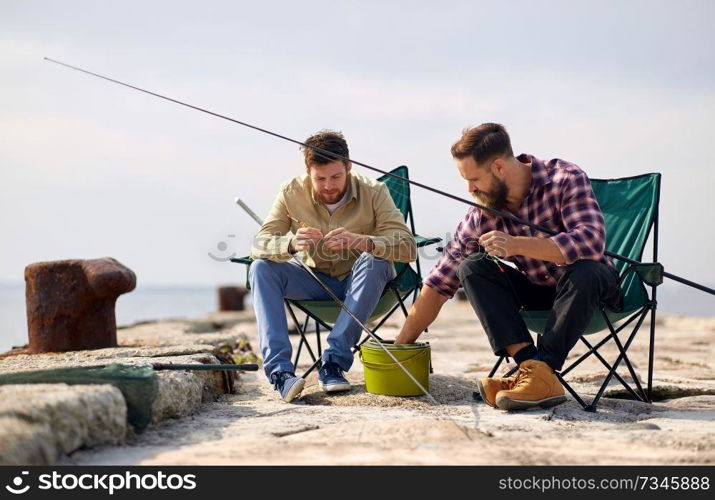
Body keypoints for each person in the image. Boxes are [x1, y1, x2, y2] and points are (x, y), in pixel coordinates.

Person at [395, 123, 622, 411]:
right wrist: (400, 346)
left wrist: (516, 244)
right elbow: (441, 281)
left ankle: (542, 371)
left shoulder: (565, 177)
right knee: (471, 266)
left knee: (585, 269)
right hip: (540, 293)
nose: (470, 189)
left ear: (499, 168)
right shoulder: (482, 212)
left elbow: (591, 241)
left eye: (474, 179)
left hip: (592, 291)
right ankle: (532, 367)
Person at [250, 130, 417, 402]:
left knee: (374, 260)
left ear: (349, 167)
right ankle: (280, 373)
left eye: (336, 177)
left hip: (364, 284)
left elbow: (407, 246)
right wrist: (290, 244)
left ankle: (334, 363)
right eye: (320, 179)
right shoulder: (291, 191)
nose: (328, 186)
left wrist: (363, 241)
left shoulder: (375, 191)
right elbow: (259, 245)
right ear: (308, 173)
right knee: (260, 268)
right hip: (314, 282)